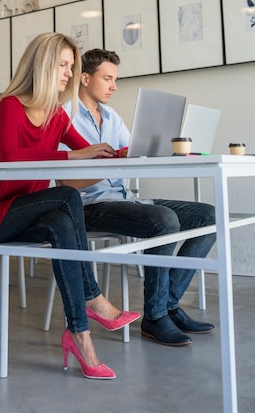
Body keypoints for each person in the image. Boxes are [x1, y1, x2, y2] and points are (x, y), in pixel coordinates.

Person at [0, 33, 140, 380]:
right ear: (43, 65)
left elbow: (92, 150)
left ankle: (80, 337)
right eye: (63, 65)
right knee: (67, 197)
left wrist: (125, 152)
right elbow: (13, 157)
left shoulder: (57, 116)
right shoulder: (11, 105)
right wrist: (73, 154)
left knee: (61, 222)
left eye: (72, 67)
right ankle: (94, 299)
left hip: (20, 214)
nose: (69, 74)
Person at [59, 48, 217, 347]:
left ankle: (168, 305)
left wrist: (164, 149)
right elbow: (65, 181)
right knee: (164, 220)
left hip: (124, 199)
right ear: (84, 78)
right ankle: (156, 316)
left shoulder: (111, 116)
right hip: (88, 205)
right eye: (107, 78)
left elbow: (132, 156)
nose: (114, 86)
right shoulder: (63, 115)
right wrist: (113, 162)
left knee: (208, 216)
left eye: (115, 79)